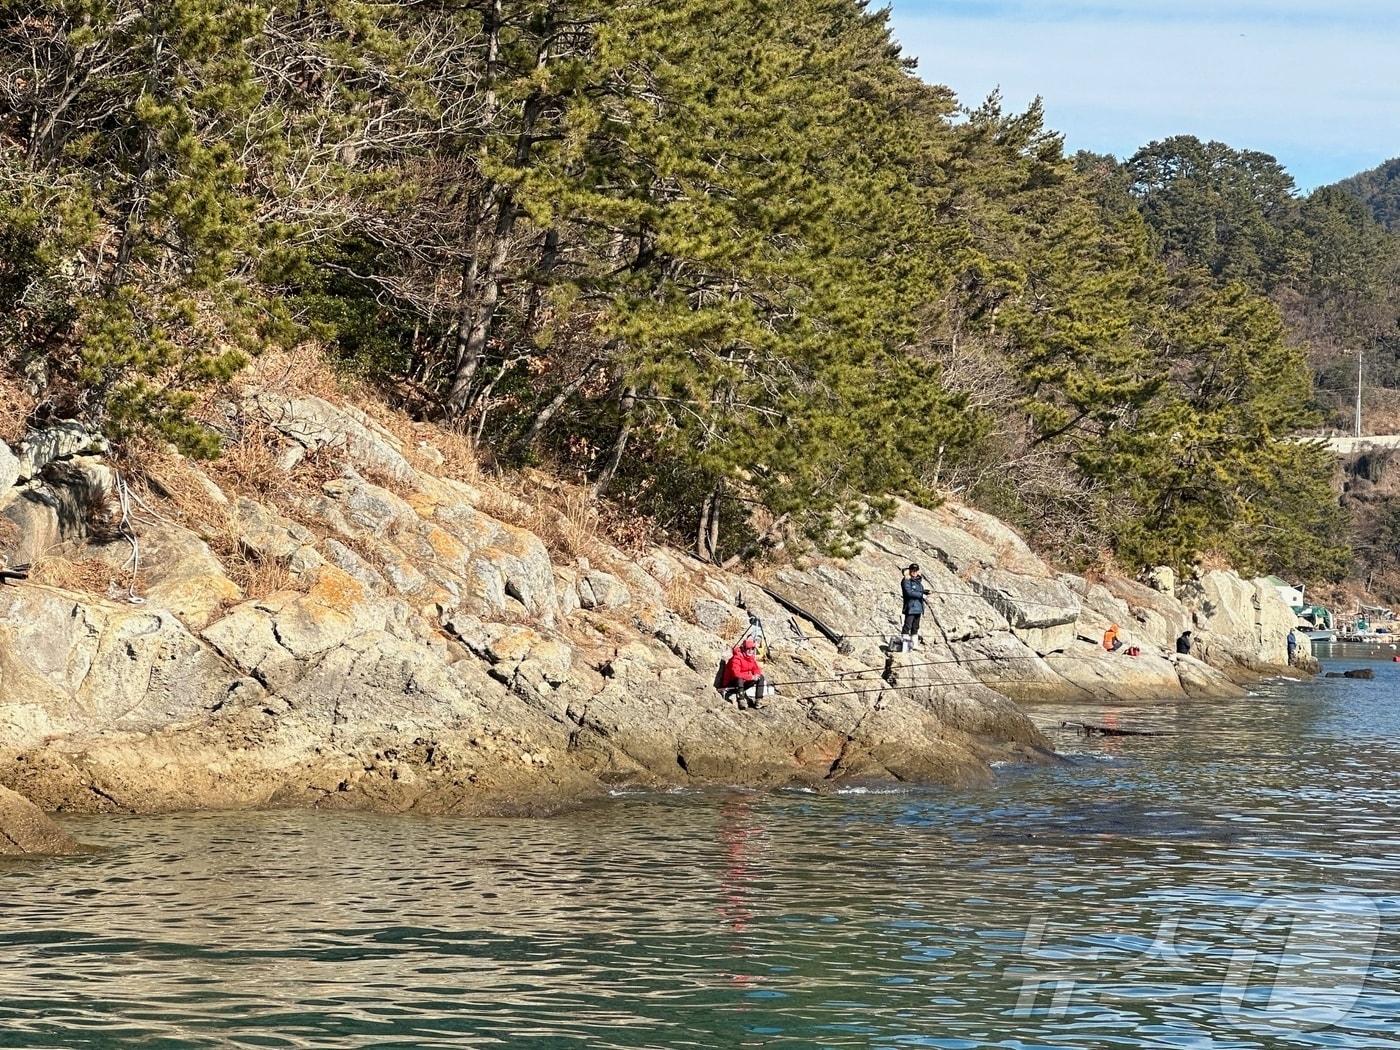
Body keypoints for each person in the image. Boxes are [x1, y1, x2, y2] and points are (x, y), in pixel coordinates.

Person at [721, 638, 767, 710]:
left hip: (743, 683)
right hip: (732, 684)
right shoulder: (736, 658)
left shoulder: (751, 658)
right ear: (744, 649)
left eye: (752, 649)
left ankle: (758, 700)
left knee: (760, 677)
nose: (750, 651)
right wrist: (751, 677)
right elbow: (736, 674)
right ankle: (741, 700)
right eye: (748, 648)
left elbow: (756, 669)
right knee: (739, 679)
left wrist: (756, 675)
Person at [901, 564, 929, 650]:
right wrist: (922, 595)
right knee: (907, 626)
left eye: (916, 570)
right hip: (910, 607)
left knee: (915, 627)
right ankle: (905, 646)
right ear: (909, 570)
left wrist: (925, 592)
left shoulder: (918, 581)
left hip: (918, 607)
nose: (914, 572)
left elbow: (917, 591)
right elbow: (909, 593)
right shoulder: (906, 581)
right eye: (913, 570)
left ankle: (915, 645)